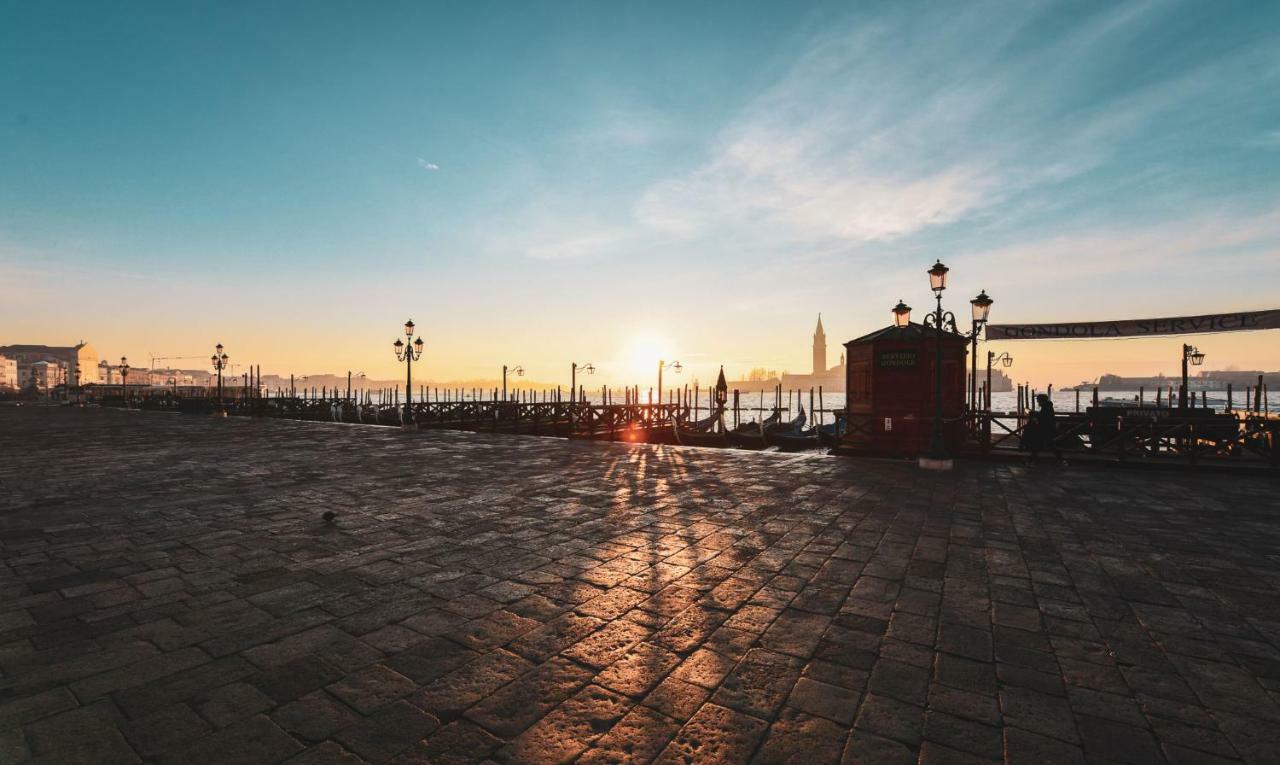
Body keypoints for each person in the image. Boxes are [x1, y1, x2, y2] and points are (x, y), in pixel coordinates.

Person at [1028, 393, 1064, 464]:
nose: (1038, 402)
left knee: (1046, 445)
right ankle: (1031, 460)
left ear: (1042, 400)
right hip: (1046, 428)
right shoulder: (1047, 406)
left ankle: (1061, 460)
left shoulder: (1046, 407)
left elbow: (1044, 417)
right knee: (1042, 445)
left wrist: (1035, 415)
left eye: (1038, 401)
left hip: (1046, 429)